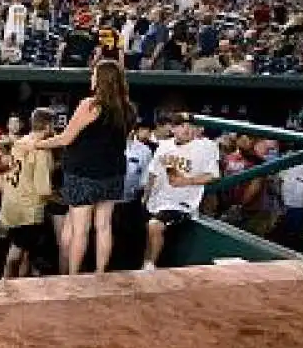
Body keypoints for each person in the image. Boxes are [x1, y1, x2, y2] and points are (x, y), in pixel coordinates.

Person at [31, 60, 135, 274]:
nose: (91, 78)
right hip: (113, 175)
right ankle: (99, 274)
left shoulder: (91, 105)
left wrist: (37, 144)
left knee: (80, 230)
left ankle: (74, 277)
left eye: (94, 74)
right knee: (104, 226)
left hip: (84, 174)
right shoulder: (129, 108)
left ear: (101, 79)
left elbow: (66, 138)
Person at [142, 114, 219, 270]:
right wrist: (146, 195)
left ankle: (149, 266)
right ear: (173, 128)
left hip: (181, 203)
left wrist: (187, 181)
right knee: (150, 233)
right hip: (158, 200)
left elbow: (213, 175)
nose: (187, 129)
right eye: (182, 125)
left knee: (154, 225)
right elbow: (153, 172)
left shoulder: (205, 147)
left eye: (190, 126)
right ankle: (146, 264)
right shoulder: (164, 145)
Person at [0, 108, 55, 279]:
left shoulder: (19, 142)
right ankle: (6, 286)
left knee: (22, 252)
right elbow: (43, 189)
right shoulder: (41, 150)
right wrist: (56, 195)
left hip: (10, 206)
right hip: (28, 210)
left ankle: (16, 288)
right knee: (16, 255)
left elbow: (4, 172)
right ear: (48, 126)